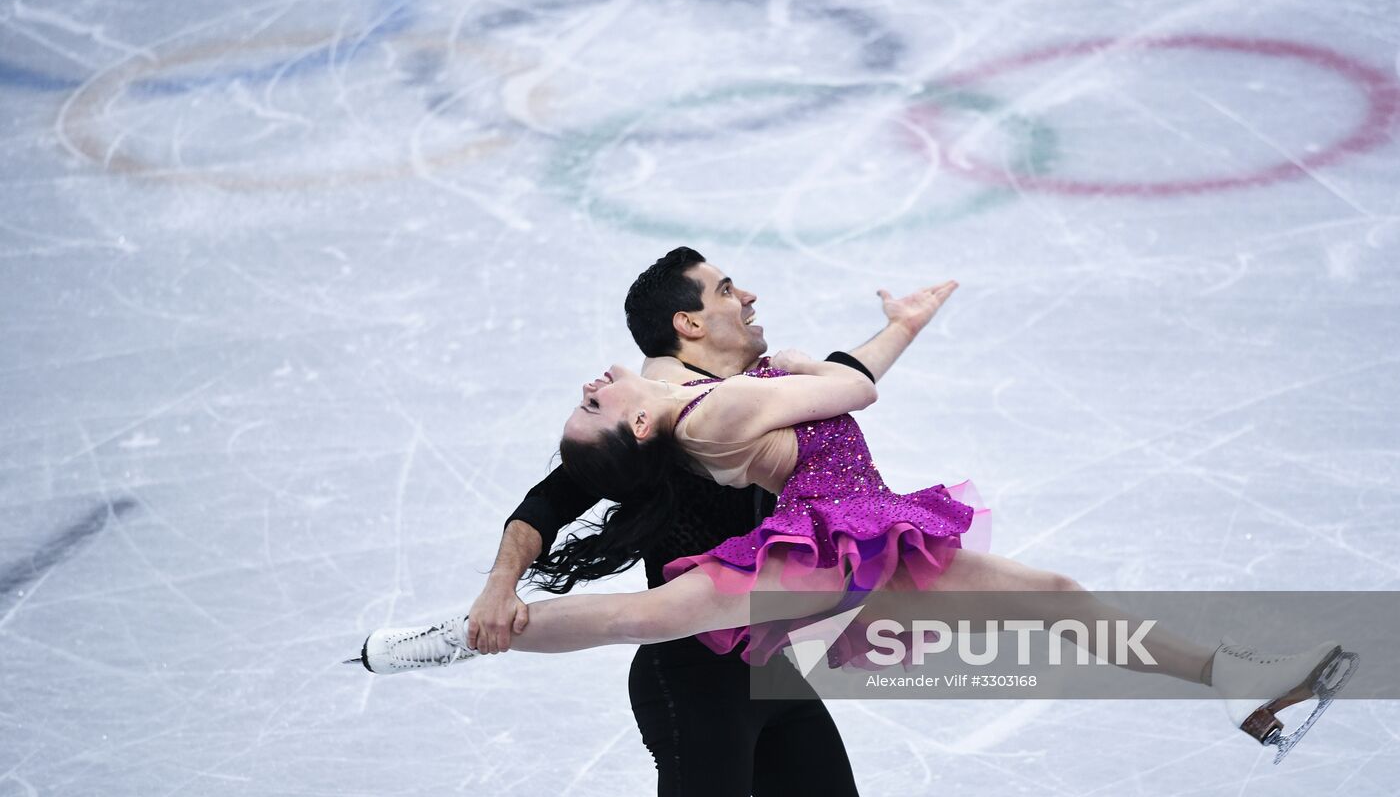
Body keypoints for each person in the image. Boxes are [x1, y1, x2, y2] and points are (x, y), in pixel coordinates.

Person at [354, 249, 1357, 772]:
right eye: (726, 287)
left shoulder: (735, 373)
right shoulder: (686, 395)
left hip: (870, 531)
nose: (748, 292)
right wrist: (844, 362)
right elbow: (843, 395)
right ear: (684, 323)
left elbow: (836, 381)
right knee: (645, 615)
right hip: (816, 549)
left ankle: (1245, 690)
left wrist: (891, 330)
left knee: (1051, 593)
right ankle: (448, 636)